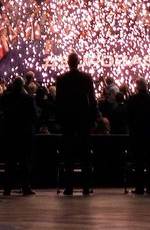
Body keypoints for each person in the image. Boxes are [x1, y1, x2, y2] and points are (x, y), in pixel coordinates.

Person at [54, 52, 97, 195]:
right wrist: (93, 119)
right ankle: (86, 187)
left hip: (68, 121)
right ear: (78, 62)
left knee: (69, 156)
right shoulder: (86, 78)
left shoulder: (61, 79)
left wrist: (59, 121)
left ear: (68, 63)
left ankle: (69, 188)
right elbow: (92, 100)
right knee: (85, 155)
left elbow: (59, 102)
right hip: (83, 121)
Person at [0, 77, 37, 196]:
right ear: (22, 85)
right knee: (25, 162)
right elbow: (34, 116)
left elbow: (1, 113)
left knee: (10, 162)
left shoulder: (5, 98)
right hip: (25, 134)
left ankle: (7, 188)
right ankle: (26, 187)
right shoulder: (29, 99)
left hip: (10, 133)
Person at [126, 77, 150, 195]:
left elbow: (129, 117)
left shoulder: (132, 100)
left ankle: (139, 187)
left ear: (137, 87)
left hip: (137, 134)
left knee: (139, 162)